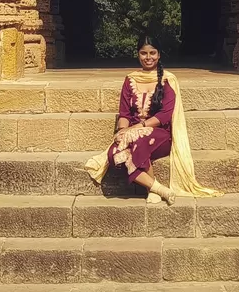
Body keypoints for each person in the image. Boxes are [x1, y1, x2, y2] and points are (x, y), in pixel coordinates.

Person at [84, 38, 216, 204]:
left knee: (140, 140)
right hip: (133, 133)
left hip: (160, 134)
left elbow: (164, 115)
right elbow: (124, 112)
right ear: (138, 55)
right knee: (114, 154)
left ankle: (152, 188)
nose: (148, 57)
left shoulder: (168, 80)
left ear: (159, 55)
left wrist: (138, 128)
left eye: (152, 53)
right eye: (143, 53)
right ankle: (157, 188)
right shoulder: (130, 79)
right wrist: (122, 130)